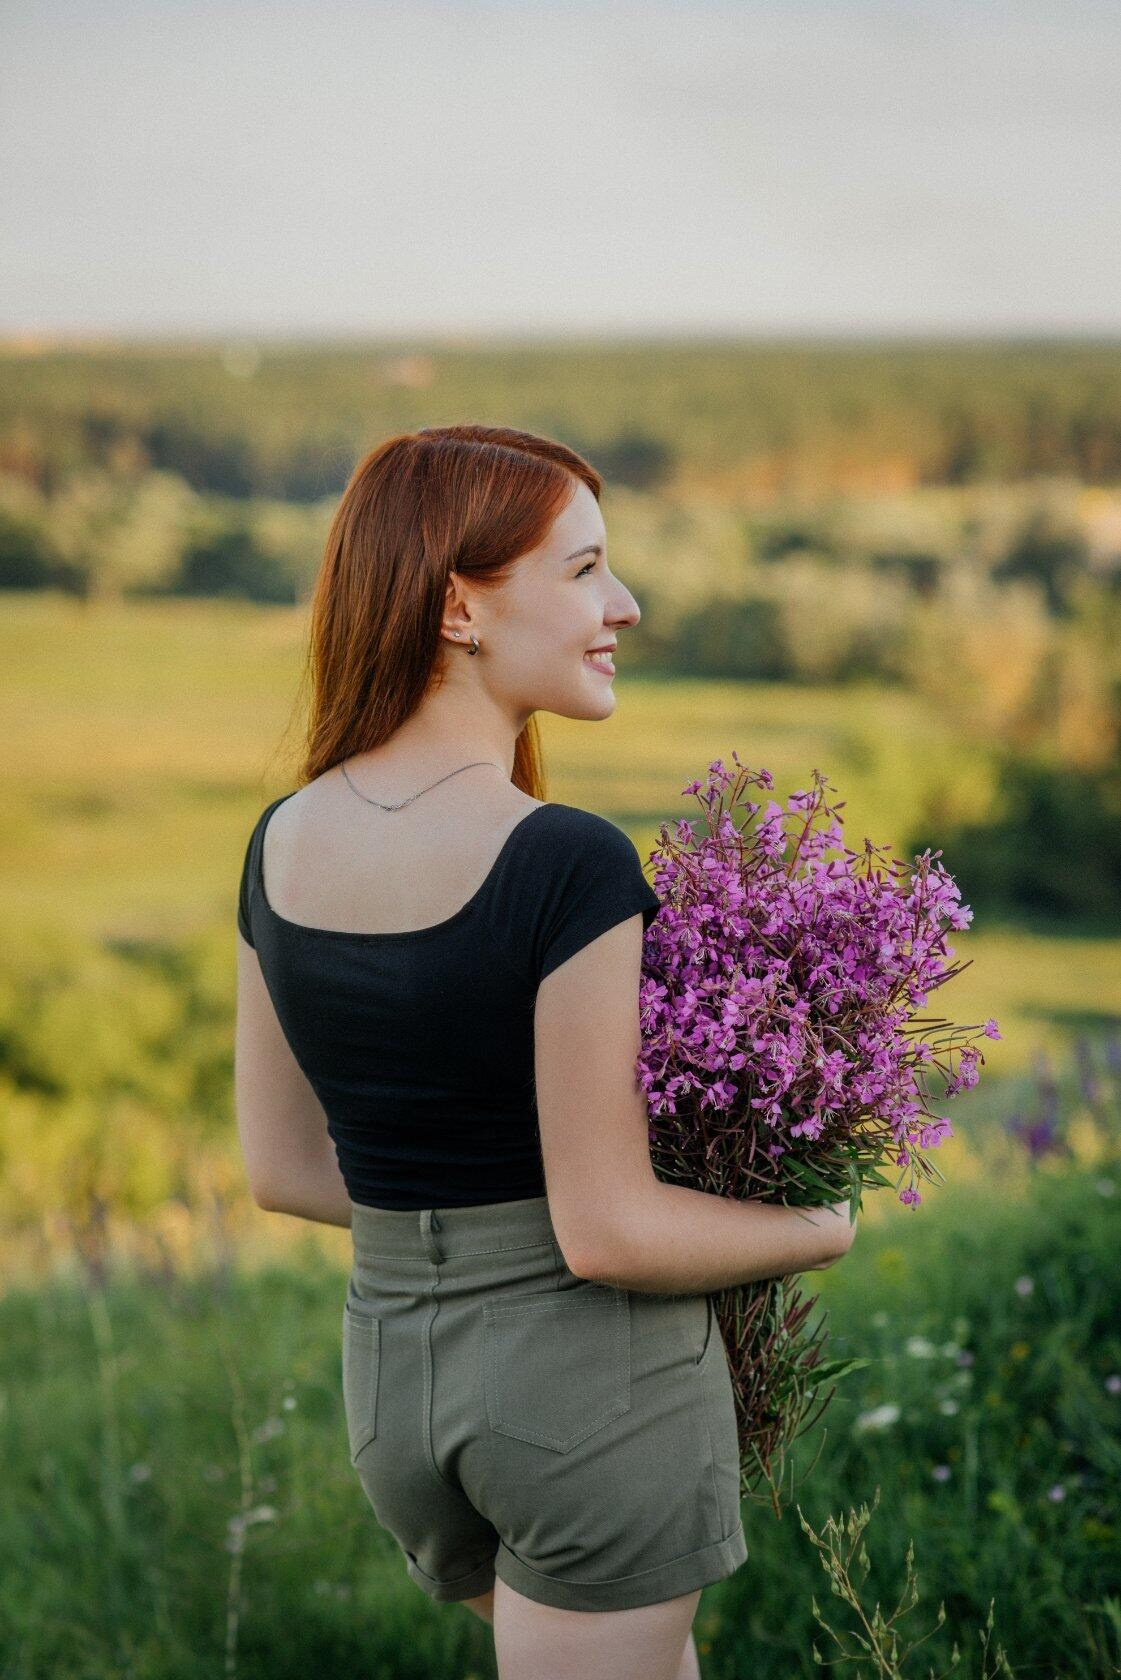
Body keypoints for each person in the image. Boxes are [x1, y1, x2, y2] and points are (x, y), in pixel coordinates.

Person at [234, 424, 856, 1680]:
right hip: (581, 1396)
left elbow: (285, 1171)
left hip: (393, 1392)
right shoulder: (562, 860)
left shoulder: (280, 839)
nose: (619, 605)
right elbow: (605, 1229)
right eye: (581, 572)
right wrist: (820, 1223)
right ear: (459, 607)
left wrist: (453, 1226)